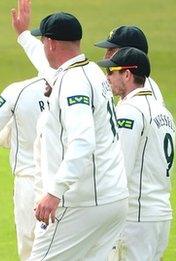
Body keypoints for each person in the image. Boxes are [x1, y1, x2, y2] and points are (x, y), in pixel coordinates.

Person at [13, 10, 129, 260]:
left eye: (43, 40)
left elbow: (82, 142)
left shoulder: (71, 82)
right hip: (113, 199)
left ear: (51, 43)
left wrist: (54, 192)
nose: (42, 46)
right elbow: (46, 65)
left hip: (83, 203)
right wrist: (23, 35)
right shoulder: (91, 72)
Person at [97, 47, 174, 261]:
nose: (108, 77)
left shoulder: (129, 111)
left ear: (127, 74)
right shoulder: (163, 111)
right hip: (160, 215)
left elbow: (119, 168)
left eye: (111, 72)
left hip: (136, 218)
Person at [0, 76, 48, 260]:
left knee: (33, 253)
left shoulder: (19, 90)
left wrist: (4, 137)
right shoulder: (85, 82)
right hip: (76, 183)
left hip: (31, 184)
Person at [94, 25, 164, 105]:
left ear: (130, 52)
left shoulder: (145, 95)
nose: (105, 57)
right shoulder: (131, 89)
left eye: (111, 50)